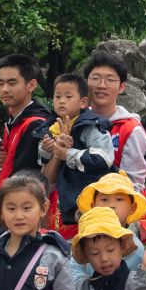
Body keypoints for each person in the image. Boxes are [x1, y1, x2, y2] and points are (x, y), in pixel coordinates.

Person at [42, 71, 113, 231]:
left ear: (83, 102)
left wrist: (67, 154)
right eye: (57, 96)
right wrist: (47, 148)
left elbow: (103, 158)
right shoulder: (50, 127)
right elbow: (42, 165)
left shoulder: (91, 125)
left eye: (68, 97)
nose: (61, 101)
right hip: (61, 197)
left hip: (89, 197)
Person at [83, 49, 146, 188]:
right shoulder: (75, 121)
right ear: (86, 82)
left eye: (110, 80)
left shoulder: (131, 130)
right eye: (95, 78)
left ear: (121, 87)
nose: (101, 85)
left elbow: (133, 184)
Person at [0, 53, 50, 181]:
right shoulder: (14, 118)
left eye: (12, 83)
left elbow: (22, 179)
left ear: (31, 85)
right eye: (0, 84)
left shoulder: (35, 125)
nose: (4, 89)